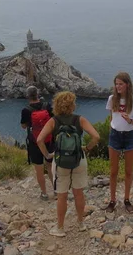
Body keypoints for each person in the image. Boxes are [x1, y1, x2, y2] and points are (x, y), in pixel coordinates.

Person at [36, 91, 100, 237]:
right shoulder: (80, 119)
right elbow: (96, 136)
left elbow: (39, 140)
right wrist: (87, 148)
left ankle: (60, 228)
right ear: (72, 105)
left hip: (60, 162)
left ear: (56, 105)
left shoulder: (53, 121)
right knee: (78, 193)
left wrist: (47, 155)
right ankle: (80, 223)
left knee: (62, 195)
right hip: (79, 159)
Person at [105, 71, 133, 214]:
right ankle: (112, 200)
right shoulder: (111, 99)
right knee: (113, 171)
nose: (118, 87)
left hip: (129, 136)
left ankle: (127, 199)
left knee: (128, 171)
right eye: (116, 84)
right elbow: (111, 118)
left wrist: (130, 121)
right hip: (115, 136)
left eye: (120, 84)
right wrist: (112, 129)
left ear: (127, 85)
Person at [21, 85, 54, 200]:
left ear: (28, 96)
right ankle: (56, 190)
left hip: (35, 142)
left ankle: (44, 193)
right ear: (38, 94)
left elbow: (23, 126)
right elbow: (53, 120)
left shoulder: (26, 110)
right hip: (49, 140)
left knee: (39, 169)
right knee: (50, 166)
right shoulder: (47, 106)